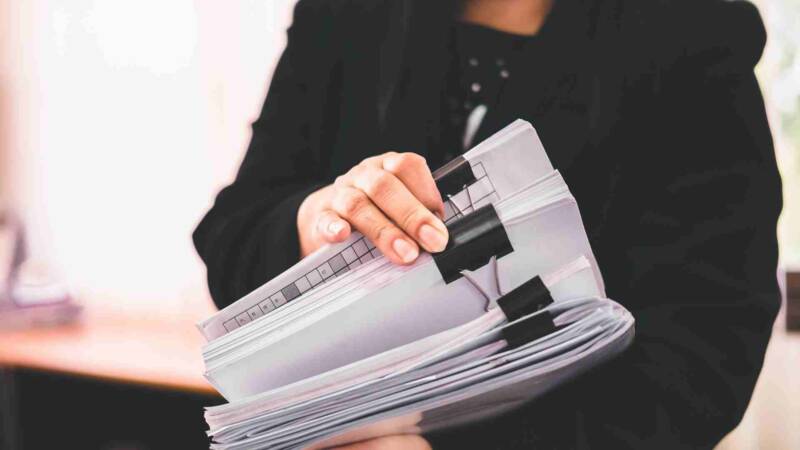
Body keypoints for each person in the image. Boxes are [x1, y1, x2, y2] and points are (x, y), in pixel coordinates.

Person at [193, 0, 783, 448]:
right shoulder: (346, 13)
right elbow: (233, 238)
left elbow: (707, 347)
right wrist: (324, 217)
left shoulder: (693, 31)